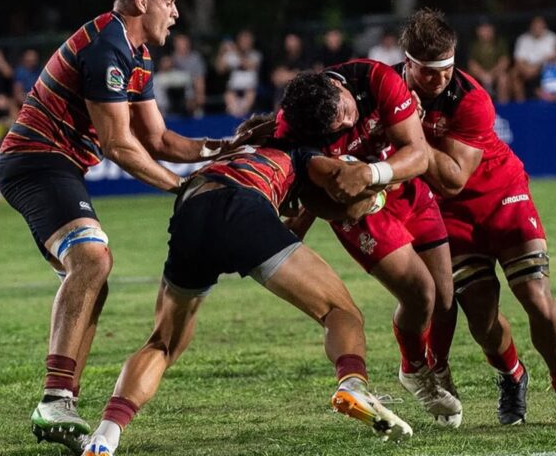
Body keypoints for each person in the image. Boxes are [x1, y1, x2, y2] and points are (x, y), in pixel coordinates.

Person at [0, 0, 246, 452]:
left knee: (92, 274)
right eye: (171, 2)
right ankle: (53, 398)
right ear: (141, 1)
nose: (176, 14)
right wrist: (181, 187)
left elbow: (157, 138)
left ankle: (61, 404)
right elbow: (118, 144)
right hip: (35, 160)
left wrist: (226, 146)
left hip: (59, 166)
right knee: (91, 258)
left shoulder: (139, 54)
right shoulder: (108, 42)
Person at [81, 117, 412, 455]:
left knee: (163, 342)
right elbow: (344, 191)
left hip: (192, 208)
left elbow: (289, 231)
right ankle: (353, 385)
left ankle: (105, 436)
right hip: (243, 208)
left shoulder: (237, 150)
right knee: (340, 311)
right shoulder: (303, 152)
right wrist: (377, 193)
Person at [397, 7, 556, 425]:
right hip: (448, 214)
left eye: (447, 69)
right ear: (409, 64)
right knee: (481, 316)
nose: (440, 80)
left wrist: (411, 132)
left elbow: (455, 178)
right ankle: (512, 375)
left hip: (501, 194)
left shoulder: (471, 99)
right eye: (428, 72)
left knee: (536, 296)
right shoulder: (388, 90)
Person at [276, 62, 463, 428]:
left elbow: (419, 153)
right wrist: (320, 210)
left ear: (338, 86)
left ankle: (416, 368)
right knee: (420, 294)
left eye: (346, 111)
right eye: (338, 128)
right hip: (357, 211)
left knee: (443, 297)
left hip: (403, 184)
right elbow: (314, 197)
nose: (349, 124)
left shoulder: (374, 78)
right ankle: (416, 369)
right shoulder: (294, 131)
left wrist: (371, 173)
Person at [510, 16, 556, 102]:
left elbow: (553, 57)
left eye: (539, 26)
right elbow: (518, 60)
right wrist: (528, 70)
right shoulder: (523, 39)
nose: (537, 28)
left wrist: (535, 69)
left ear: (544, 26)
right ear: (531, 27)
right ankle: (521, 105)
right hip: (526, 69)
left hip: (544, 68)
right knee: (513, 74)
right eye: (535, 26)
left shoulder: (552, 38)